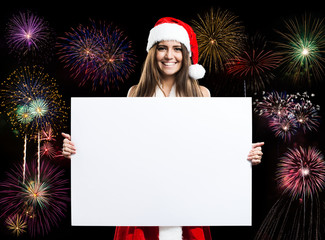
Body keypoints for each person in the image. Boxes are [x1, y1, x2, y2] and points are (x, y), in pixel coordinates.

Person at [62, 17, 264, 240]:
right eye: (162, 48)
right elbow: (118, 149)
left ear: (185, 55)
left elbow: (211, 150)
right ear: (152, 53)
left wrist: (245, 156)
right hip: (140, 204)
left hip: (188, 204)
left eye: (177, 49)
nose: (170, 56)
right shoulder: (134, 93)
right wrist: (79, 148)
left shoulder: (202, 94)